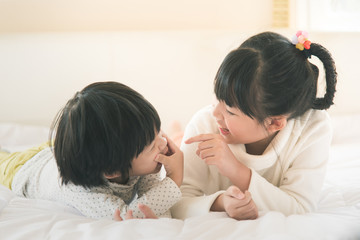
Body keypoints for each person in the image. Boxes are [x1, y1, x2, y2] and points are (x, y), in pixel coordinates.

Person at [171, 31, 337, 220]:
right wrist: (221, 202)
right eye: (217, 97)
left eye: (230, 111)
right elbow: (177, 200)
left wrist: (235, 169)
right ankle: (177, 132)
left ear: (275, 122)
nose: (216, 113)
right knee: (179, 142)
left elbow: (300, 207)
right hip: (190, 138)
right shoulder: (205, 122)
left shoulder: (313, 128)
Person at [0, 81, 183, 220]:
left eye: (159, 131)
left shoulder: (120, 155)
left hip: (53, 152)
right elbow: (128, 216)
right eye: (152, 146)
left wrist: (156, 160)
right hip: (20, 169)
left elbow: (148, 189)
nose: (163, 142)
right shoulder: (83, 192)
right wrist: (174, 178)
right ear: (112, 171)